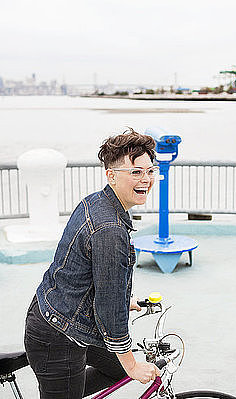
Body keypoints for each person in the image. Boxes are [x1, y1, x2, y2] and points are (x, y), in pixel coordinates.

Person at [24, 128, 161, 398]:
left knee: (117, 369)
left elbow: (93, 275)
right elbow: (109, 307)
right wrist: (132, 364)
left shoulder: (96, 201)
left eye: (150, 171)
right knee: (125, 366)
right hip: (58, 336)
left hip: (65, 316)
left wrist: (124, 300)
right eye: (136, 172)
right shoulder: (109, 228)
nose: (146, 179)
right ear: (111, 176)